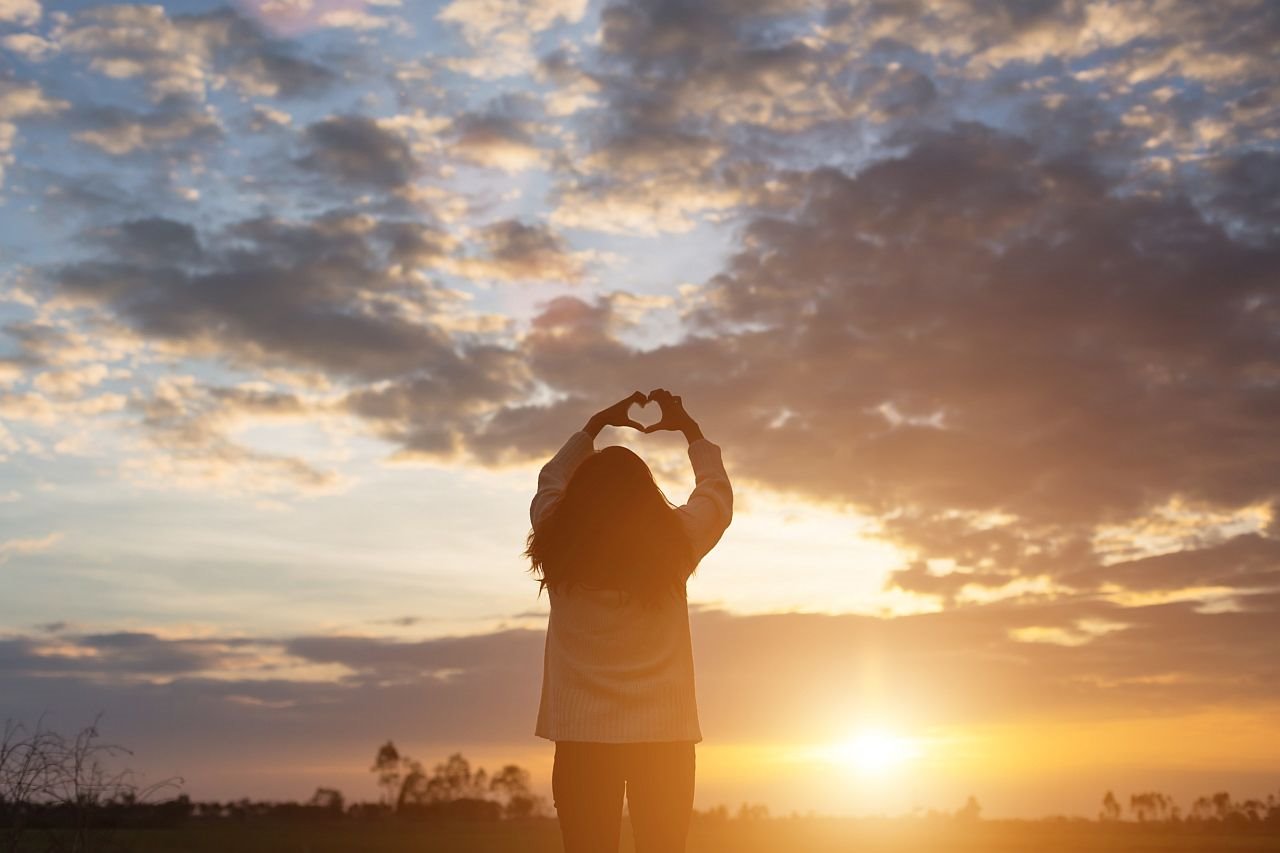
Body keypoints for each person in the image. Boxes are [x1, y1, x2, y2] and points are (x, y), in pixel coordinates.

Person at [524, 388, 733, 853]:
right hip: (665, 738)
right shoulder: (675, 544)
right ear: (647, 495)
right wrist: (690, 431)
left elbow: (550, 480)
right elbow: (715, 496)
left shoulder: (558, 543)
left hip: (581, 741)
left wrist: (594, 425)